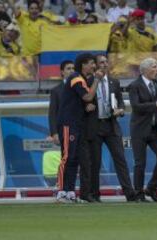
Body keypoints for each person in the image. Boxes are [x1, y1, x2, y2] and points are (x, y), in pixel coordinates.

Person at [83, 55, 135, 202]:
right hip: (95, 125)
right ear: (95, 66)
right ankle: (94, 194)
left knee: (121, 160)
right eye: (101, 63)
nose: (104, 65)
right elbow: (82, 100)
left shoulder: (114, 82)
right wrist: (86, 107)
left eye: (106, 62)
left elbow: (120, 102)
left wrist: (120, 110)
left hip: (111, 125)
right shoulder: (88, 82)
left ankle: (129, 193)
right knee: (95, 162)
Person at [56, 53, 101, 203]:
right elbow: (87, 97)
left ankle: (69, 191)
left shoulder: (79, 79)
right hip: (69, 123)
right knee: (67, 157)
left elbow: (82, 100)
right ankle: (61, 191)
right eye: (91, 63)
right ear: (83, 65)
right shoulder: (76, 78)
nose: (94, 66)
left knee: (73, 158)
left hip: (76, 123)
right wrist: (97, 80)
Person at [128, 58, 157, 202]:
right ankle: (138, 193)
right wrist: (155, 104)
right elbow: (136, 106)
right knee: (140, 163)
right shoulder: (135, 85)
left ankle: (151, 188)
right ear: (144, 70)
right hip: (139, 129)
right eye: (154, 67)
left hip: (155, 129)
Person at [48, 60, 75, 145]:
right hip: (64, 130)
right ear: (62, 72)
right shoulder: (56, 91)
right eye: (68, 68)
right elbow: (52, 113)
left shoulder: (81, 87)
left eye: (73, 68)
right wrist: (54, 133)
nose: (72, 71)